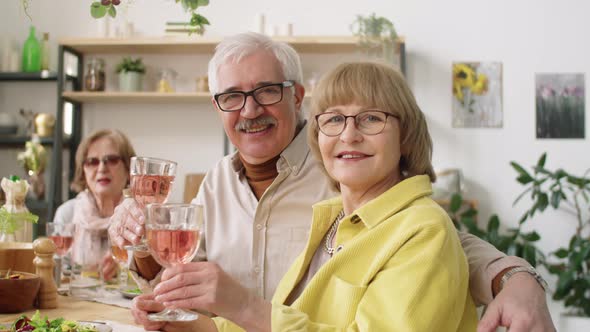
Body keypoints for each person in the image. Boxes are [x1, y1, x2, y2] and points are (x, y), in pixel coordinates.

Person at [109, 32, 554, 331]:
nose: (249, 110)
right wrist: (143, 247)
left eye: (266, 91)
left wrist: (517, 278)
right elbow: (187, 280)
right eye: (232, 97)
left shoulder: (346, 173)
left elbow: (443, 242)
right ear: (218, 107)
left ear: (296, 97)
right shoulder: (219, 185)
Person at [54, 128, 136, 281]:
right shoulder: (67, 213)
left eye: (112, 160)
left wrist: (125, 264)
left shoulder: (140, 216)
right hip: (81, 300)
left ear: (129, 169)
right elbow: (58, 273)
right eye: (92, 162)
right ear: (83, 170)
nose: (102, 168)